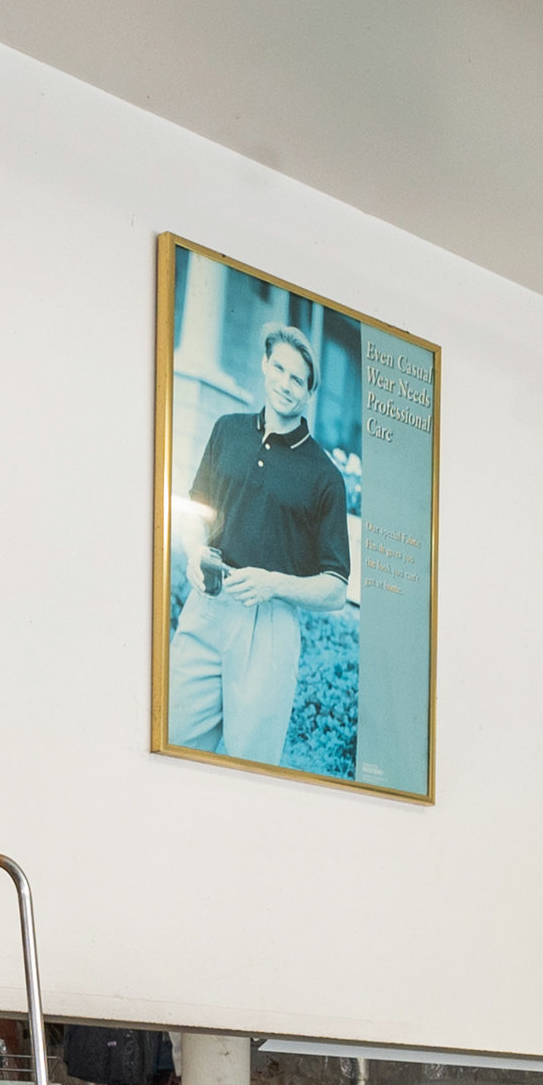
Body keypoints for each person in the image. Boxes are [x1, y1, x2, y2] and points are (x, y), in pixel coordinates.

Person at [173, 320, 365, 778]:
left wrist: (273, 584)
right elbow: (195, 513)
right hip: (206, 609)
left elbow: (335, 589)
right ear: (264, 364)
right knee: (169, 742)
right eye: (278, 368)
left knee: (250, 775)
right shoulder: (227, 431)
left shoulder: (324, 477)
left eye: (297, 379)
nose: (285, 383)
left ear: (310, 392)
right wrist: (194, 551)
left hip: (269, 628)